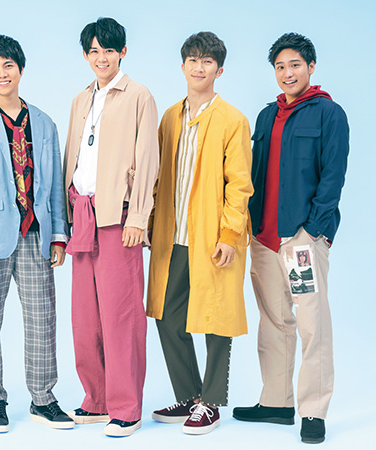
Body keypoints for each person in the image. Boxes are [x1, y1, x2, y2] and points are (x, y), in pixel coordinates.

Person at [232, 32, 349, 445]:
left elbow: (333, 177)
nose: (287, 73)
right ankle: (276, 403)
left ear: (311, 67)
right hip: (264, 239)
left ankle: (313, 411)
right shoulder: (267, 116)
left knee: (313, 325)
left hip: (300, 240)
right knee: (273, 322)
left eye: (295, 65)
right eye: (280, 67)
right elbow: (254, 173)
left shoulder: (329, 113)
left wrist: (312, 231)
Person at [0, 34, 72, 433]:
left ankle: (43, 399)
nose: (2, 74)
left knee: (42, 320)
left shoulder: (44, 123)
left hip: (36, 234)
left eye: (8, 66)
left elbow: (55, 184)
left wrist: (59, 235)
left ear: (20, 69)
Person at [146, 32, 252, 435]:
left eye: (207, 61)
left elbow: (239, 185)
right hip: (173, 236)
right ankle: (189, 395)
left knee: (216, 318)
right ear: (182, 66)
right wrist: (151, 222)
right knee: (167, 316)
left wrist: (230, 234)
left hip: (213, 238)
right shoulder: (170, 117)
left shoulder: (232, 120)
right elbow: (159, 177)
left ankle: (211, 402)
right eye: (192, 59)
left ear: (219, 71)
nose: (198, 67)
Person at [63, 17, 159, 437]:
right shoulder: (80, 99)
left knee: (121, 316)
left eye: (108, 50)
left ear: (122, 52)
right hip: (81, 213)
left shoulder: (139, 96)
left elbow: (149, 158)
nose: (101, 58)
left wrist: (138, 217)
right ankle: (96, 399)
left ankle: (127, 406)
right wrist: (65, 218)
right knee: (85, 317)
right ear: (86, 55)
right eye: (94, 51)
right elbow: (72, 157)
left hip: (118, 218)